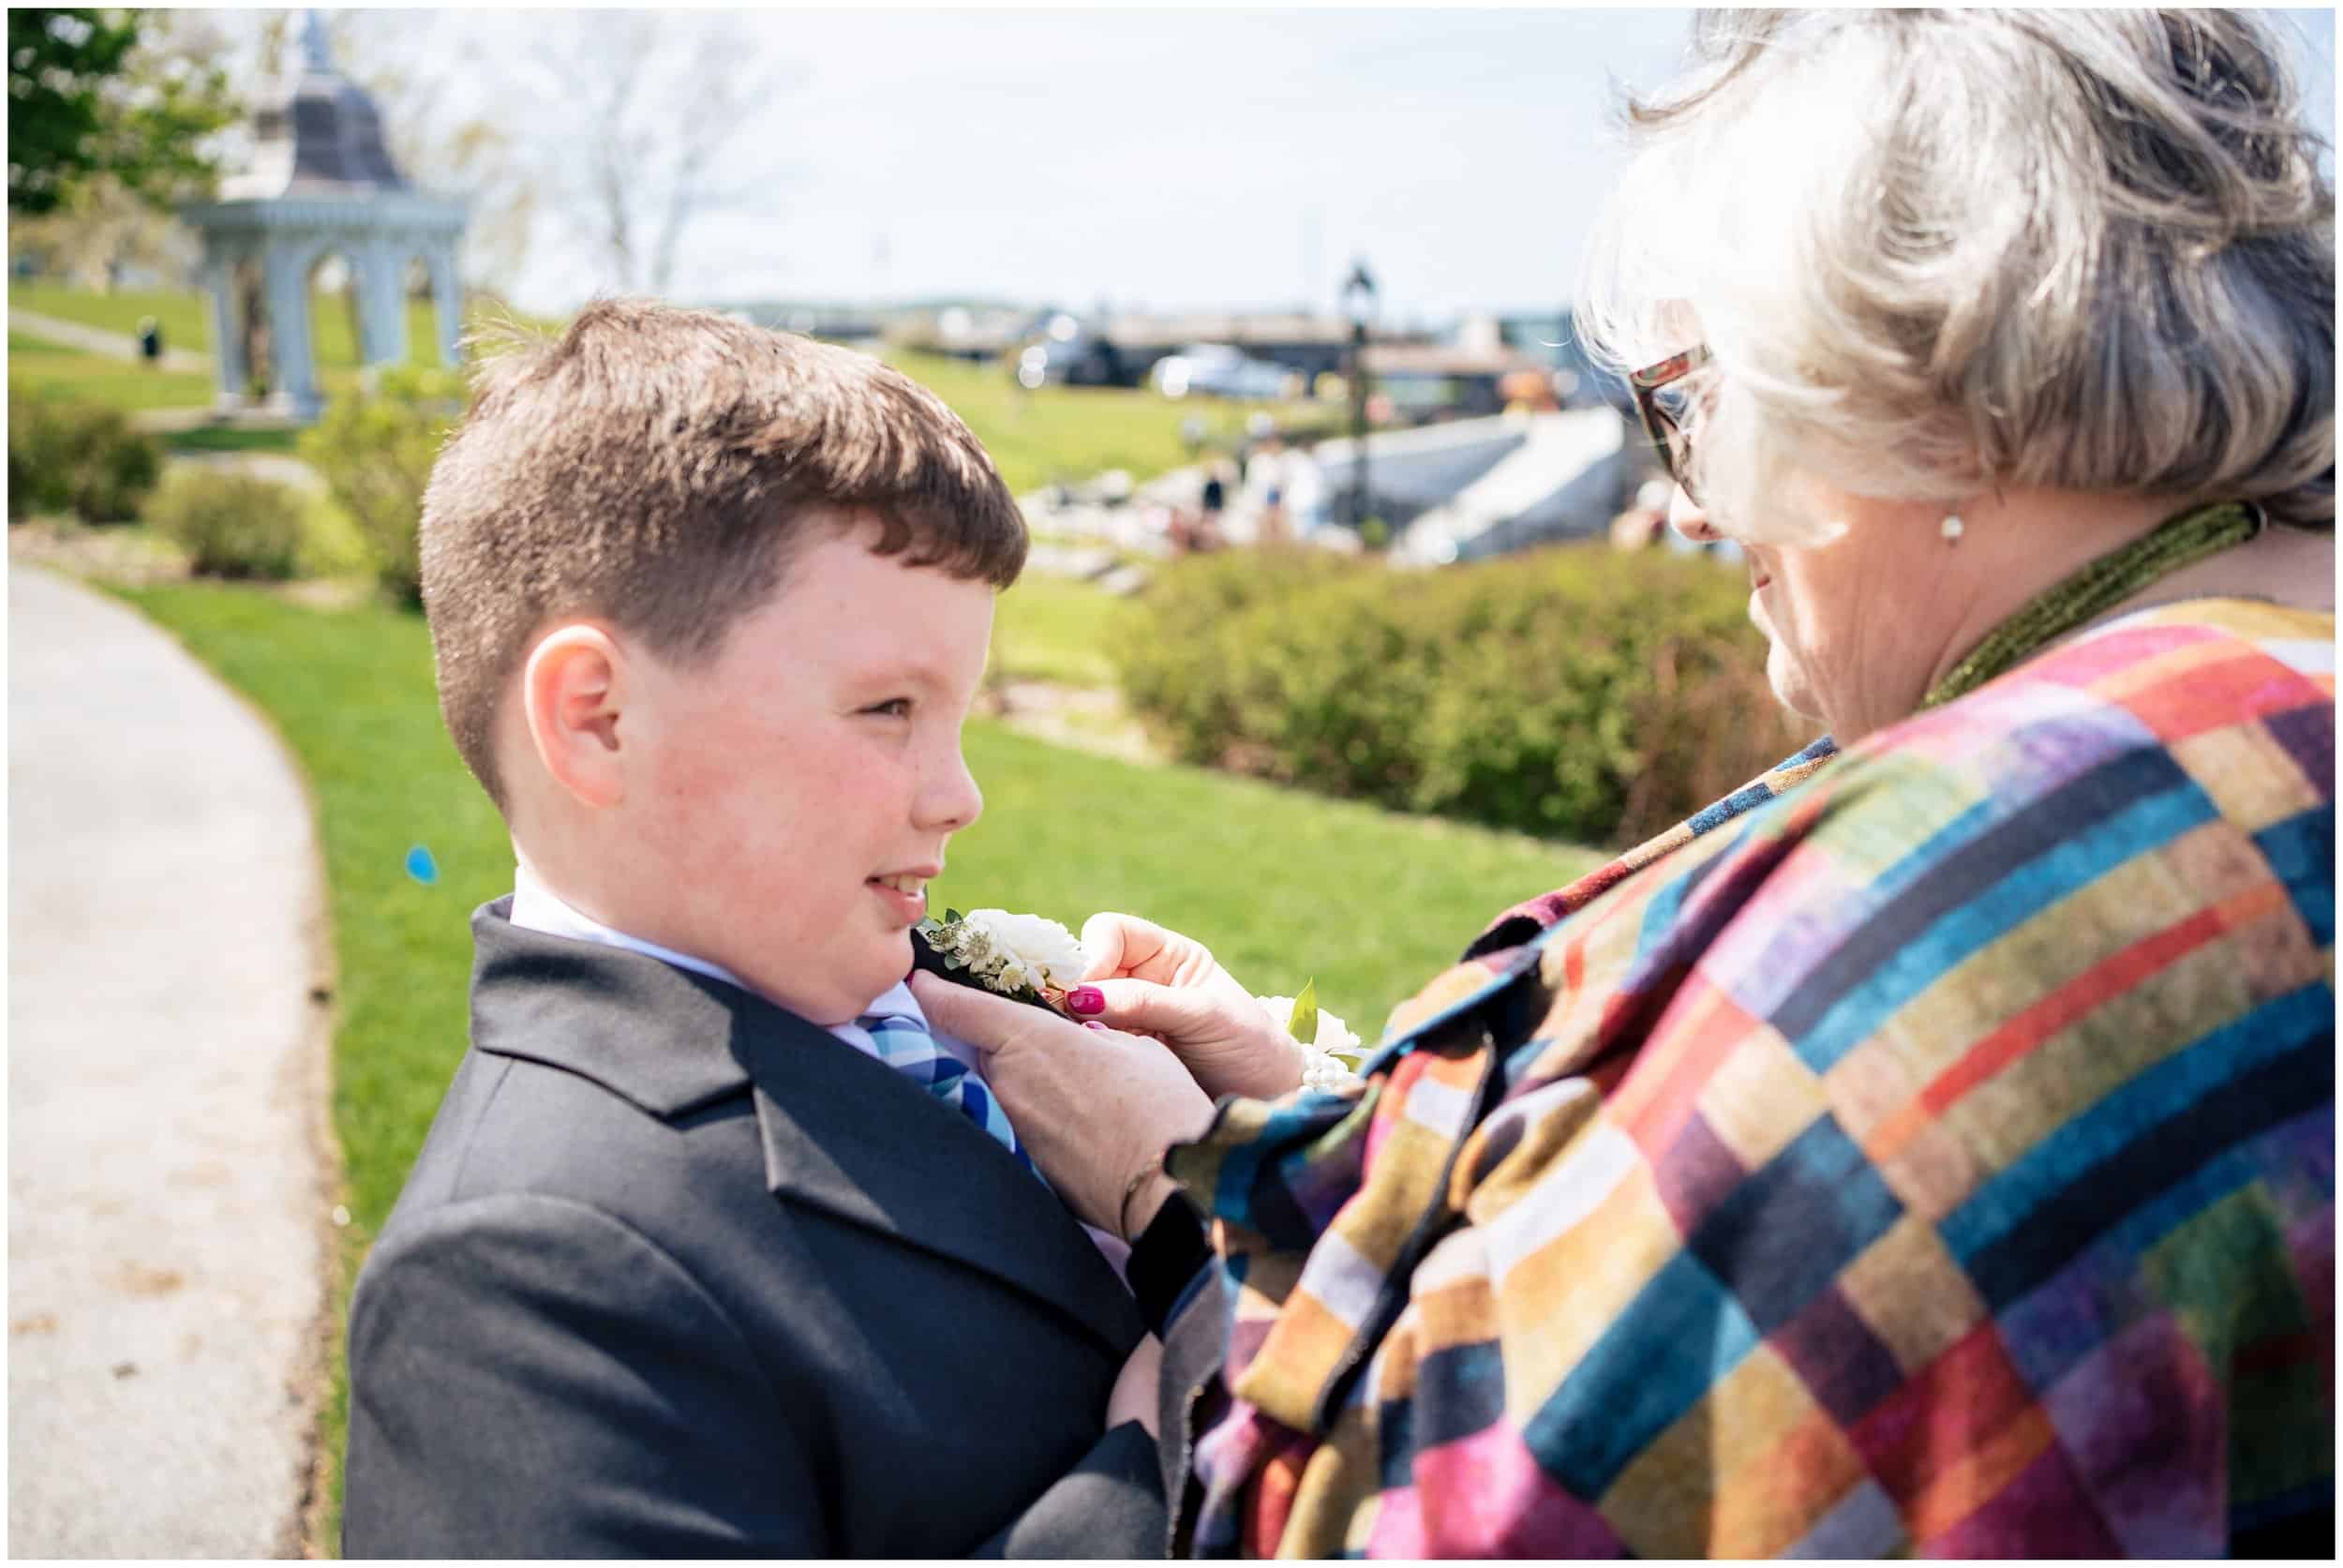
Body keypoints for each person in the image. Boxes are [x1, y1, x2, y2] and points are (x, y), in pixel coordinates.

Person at [916, 9, 2334, 1558]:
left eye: (1692, 401)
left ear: (1897, 381)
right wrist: (1314, 1118)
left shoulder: (1972, 905)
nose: (1694, 508)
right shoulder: (2253, 725)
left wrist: (1167, 1194)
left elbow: (1465, 1512)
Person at [341, 301, 1169, 1556]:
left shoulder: (922, 994)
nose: (960, 795)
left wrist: (1254, 1132)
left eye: (959, 716)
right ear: (599, 718)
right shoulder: (524, 1270)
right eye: (888, 706)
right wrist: (1166, 1449)